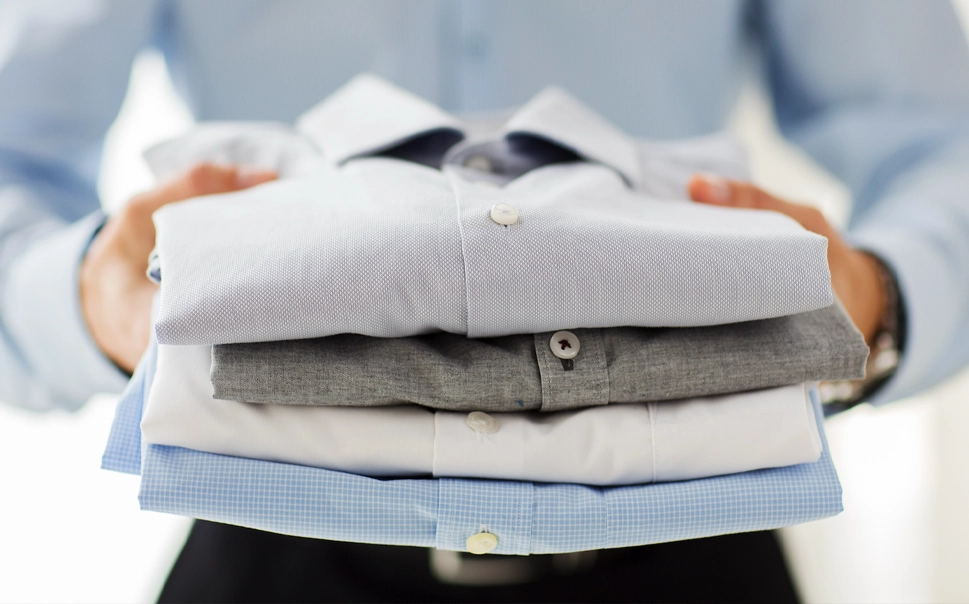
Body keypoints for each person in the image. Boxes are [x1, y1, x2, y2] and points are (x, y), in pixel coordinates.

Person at [1, 1, 967, 601]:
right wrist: (92, 298)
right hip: (275, 554)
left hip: (690, 547)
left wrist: (878, 305)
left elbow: (942, 144)